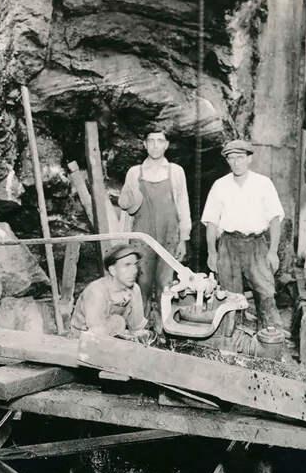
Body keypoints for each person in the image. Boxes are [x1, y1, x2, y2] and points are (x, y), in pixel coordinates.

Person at [202, 139, 285, 331]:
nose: (236, 162)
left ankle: (270, 340)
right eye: (231, 158)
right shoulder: (220, 185)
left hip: (256, 245)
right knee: (230, 298)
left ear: (249, 159)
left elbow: (274, 219)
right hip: (228, 245)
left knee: (266, 293)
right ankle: (234, 340)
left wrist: (272, 252)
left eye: (240, 157)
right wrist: (212, 253)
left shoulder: (263, 184)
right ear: (227, 161)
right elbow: (212, 223)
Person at [118, 126, 191, 320]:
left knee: (165, 284)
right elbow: (126, 210)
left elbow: (183, 204)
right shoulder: (135, 172)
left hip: (169, 236)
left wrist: (184, 238)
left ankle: (164, 329)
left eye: (160, 141)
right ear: (144, 145)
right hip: (141, 236)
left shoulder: (176, 172)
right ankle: (140, 327)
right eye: (151, 141)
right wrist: (124, 241)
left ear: (166, 145)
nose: (155, 145)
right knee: (140, 283)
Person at [71, 244, 152, 342]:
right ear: (112, 270)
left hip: (110, 337)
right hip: (81, 341)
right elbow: (96, 335)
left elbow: (137, 329)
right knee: (118, 321)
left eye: (135, 264)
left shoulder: (134, 289)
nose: (134, 270)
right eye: (127, 265)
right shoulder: (96, 291)